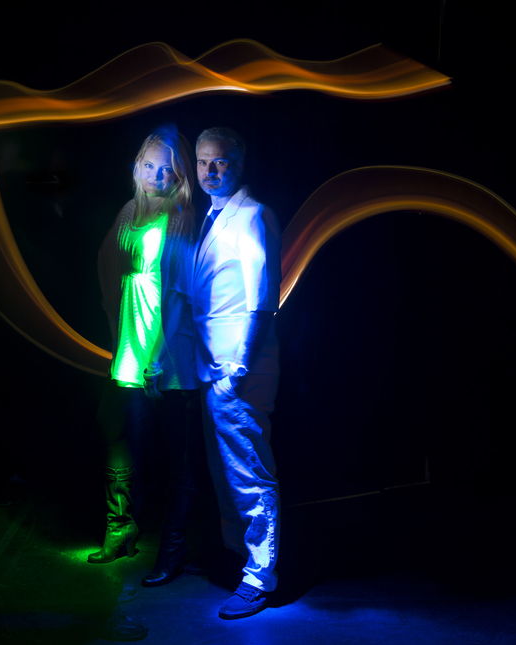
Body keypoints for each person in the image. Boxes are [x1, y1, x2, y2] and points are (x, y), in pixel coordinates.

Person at [91, 126, 201, 590]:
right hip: (131, 347)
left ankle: (174, 551)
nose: (157, 175)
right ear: (137, 166)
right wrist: (117, 327)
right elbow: (108, 266)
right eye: (149, 165)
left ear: (178, 174)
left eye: (166, 168)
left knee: (178, 455)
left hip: (168, 351)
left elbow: (178, 294)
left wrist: (155, 354)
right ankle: (121, 529)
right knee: (117, 435)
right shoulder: (128, 212)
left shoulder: (181, 217)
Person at [192, 127, 282, 619]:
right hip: (215, 372)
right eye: (202, 161)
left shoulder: (252, 215)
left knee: (249, 475)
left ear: (239, 164)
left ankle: (259, 577)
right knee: (225, 473)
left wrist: (238, 368)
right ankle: (240, 561)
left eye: (220, 161)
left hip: (237, 372)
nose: (210, 170)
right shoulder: (211, 217)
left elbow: (262, 301)